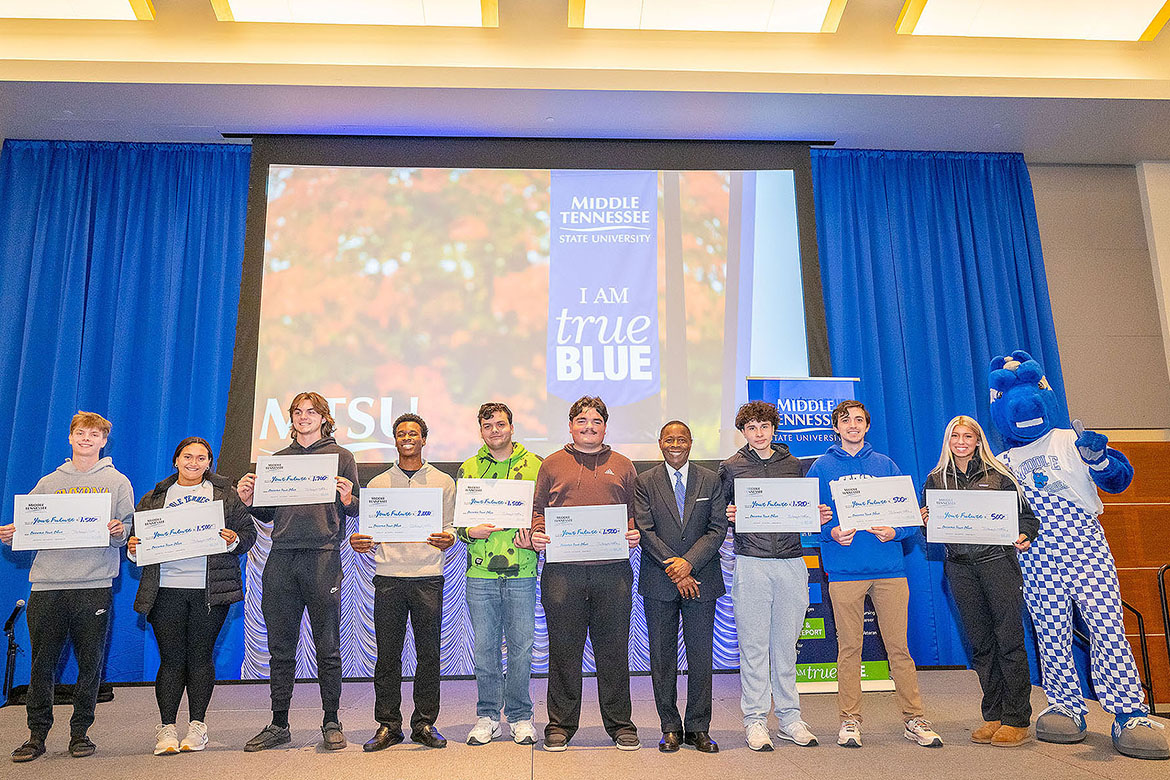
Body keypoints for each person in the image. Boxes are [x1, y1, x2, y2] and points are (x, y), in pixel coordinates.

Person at [807, 400, 943, 749]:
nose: (852, 425)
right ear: (835, 426)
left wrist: (893, 532)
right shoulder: (820, 468)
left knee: (899, 648)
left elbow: (910, 518)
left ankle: (914, 718)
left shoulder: (885, 465)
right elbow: (808, 519)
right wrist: (831, 533)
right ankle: (849, 721)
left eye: (858, 420)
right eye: (845, 420)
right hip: (843, 571)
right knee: (849, 648)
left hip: (889, 571)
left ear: (867, 427)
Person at [1, 411, 134, 763]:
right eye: (80, 433)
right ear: (70, 437)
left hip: (94, 584)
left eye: (94, 434)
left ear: (104, 441)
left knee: (90, 664)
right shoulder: (49, 482)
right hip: (46, 585)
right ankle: (36, 735)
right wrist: (13, 534)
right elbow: (29, 525)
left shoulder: (118, 482)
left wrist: (119, 532)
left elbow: (127, 530)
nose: (87, 439)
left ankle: (80, 734)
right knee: (42, 665)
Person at [235, 391, 359, 752]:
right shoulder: (277, 460)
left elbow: (353, 508)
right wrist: (249, 502)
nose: (304, 417)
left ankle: (331, 720)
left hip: (322, 556)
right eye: (298, 412)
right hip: (281, 558)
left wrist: (350, 499)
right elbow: (268, 514)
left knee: (328, 645)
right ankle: (278, 723)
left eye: (311, 412)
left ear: (324, 418)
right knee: (281, 647)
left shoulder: (342, 457)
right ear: (291, 418)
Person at [128, 436, 257, 755]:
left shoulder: (224, 495)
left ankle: (197, 727)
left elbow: (248, 536)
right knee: (171, 660)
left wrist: (232, 540)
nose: (194, 463)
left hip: (210, 591)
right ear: (176, 460)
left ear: (209, 463)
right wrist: (134, 549)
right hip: (165, 589)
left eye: (202, 458)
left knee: (200, 658)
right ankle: (167, 729)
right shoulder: (156, 496)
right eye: (188, 456)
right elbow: (137, 539)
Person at [530, 396, 641, 752]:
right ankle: (560, 724)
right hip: (563, 573)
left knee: (613, 651)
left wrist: (634, 531)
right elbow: (537, 512)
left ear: (605, 426)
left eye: (596, 421)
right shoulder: (551, 464)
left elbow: (636, 513)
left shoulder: (623, 464)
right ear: (570, 425)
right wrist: (537, 534)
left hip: (613, 573)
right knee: (564, 651)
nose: (589, 427)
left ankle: (621, 724)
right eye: (582, 421)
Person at [920, 415, 1037, 747]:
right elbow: (929, 528)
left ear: (977, 440)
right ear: (948, 440)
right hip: (959, 568)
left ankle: (1017, 719)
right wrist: (925, 521)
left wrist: (1025, 533)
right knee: (981, 645)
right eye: (955, 435)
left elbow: (1027, 517)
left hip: (998, 564)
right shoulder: (935, 479)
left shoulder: (1000, 475)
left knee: (1009, 642)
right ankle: (994, 715)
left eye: (967, 436)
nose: (961, 441)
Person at [350, 413, 456, 751]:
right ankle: (388, 725)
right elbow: (367, 533)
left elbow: (452, 526)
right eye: (400, 433)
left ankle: (424, 723)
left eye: (413, 433)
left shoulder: (443, 482)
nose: (407, 438)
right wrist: (360, 542)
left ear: (424, 439)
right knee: (388, 655)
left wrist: (449, 538)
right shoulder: (378, 484)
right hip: (389, 578)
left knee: (428, 655)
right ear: (394, 441)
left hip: (427, 577)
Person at [720, 401, 817, 751]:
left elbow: (804, 509)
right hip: (750, 561)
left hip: (792, 561)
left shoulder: (793, 465)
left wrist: (815, 512)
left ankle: (790, 718)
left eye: (764, 427)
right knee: (754, 646)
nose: (758, 434)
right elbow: (720, 513)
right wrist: (728, 513)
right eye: (751, 428)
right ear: (743, 432)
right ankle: (756, 720)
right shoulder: (730, 468)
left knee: (786, 647)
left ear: (774, 428)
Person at [635, 420, 727, 754]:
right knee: (663, 657)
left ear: (691, 442)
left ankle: (699, 728)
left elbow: (717, 529)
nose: (676, 444)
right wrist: (676, 568)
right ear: (660, 443)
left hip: (702, 579)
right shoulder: (644, 481)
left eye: (682, 439)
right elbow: (645, 530)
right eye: (669, 439)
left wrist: (689, 564)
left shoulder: (711, 479)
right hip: (660, 580)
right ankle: (670, 727)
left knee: (701, 656)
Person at [456, 403, 542, 747]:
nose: (495, 430)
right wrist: (468, 532)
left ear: (511, 427)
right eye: (488, 425)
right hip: (481, 574)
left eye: (501, 424)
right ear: (481, 430)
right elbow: (458, 522)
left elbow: (544, 513)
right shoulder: (468, 468)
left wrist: (536, 535)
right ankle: (488, 715)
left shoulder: (535, 465)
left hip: (522, 570)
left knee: (522, 648)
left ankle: (521, 717)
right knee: (485, 649)